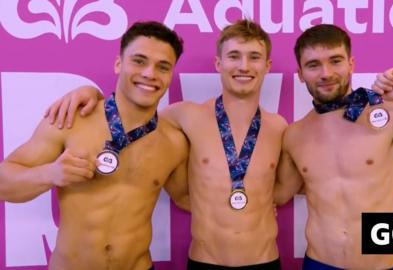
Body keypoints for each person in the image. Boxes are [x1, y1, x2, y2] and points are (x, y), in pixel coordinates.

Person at [43, 20, 287, 269]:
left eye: (254, 57)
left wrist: (256, 205)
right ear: (218, 63)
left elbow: (284, 190)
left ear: (267, 66)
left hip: (264, 259)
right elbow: (132, 117)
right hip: (206, 261)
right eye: (234, 56)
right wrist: (92, 94)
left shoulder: (279, 128)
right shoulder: (184, 116)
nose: (243, 66)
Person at [0, 21, 189, 270]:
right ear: (118, 64)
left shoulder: (173, 143)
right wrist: (49, 173)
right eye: (139, 61)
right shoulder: (71, 120)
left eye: (163, 67)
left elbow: (187, 198)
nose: (150, 73)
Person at [274, 24, 393, 269]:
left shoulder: (392, 111)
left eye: (335, 60)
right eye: (313, 65)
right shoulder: (295, 134)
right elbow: (279, 194)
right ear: (301, 73)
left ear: (351, 64)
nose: (325, 73)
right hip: (319, 263)